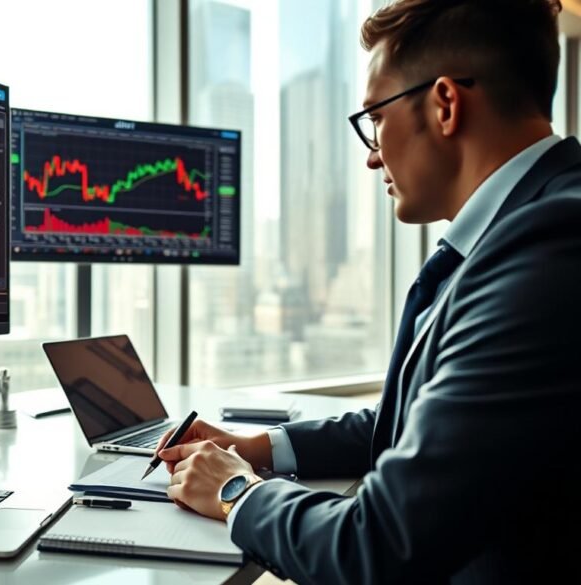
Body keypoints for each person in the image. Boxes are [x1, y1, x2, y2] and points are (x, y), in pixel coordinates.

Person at [156, 1, 581, 583]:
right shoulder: (526, 229)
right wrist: (256, 448)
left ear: (445, 104)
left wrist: (235, 491)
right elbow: (419, 423)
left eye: (376, 117)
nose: (372, 154)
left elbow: (378, 547)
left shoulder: (550, 249)